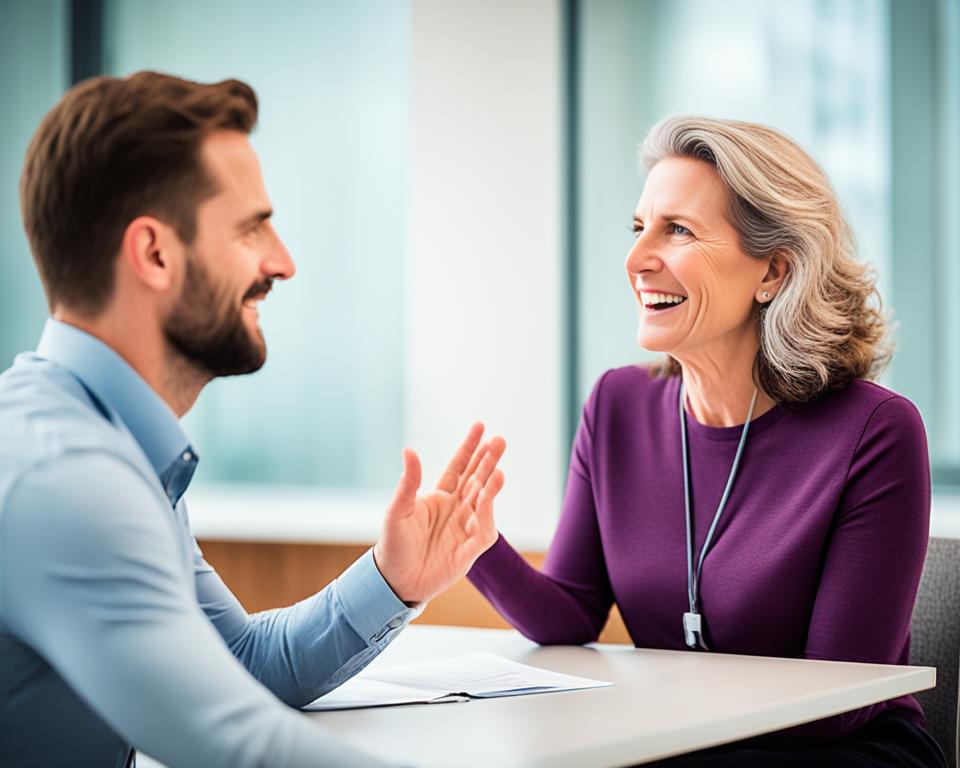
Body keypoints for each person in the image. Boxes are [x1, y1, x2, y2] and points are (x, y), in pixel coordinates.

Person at [0, 72, 506, 768]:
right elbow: (237, 745)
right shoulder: (61, 477)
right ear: (154, 253)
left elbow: (240, 665)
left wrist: (394, 580)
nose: (284, 262)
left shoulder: (108, 448)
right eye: (251, 226)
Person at [467, 116, 947, 766]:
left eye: (679, 230)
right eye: (639, 229)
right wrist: (473, 544)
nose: (637, 259)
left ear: (773, 271)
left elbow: (839, 701)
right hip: (680, 743)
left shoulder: (875, 432)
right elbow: (572, 614)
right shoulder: (617, 407)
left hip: (842, 751)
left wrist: (644, 724)